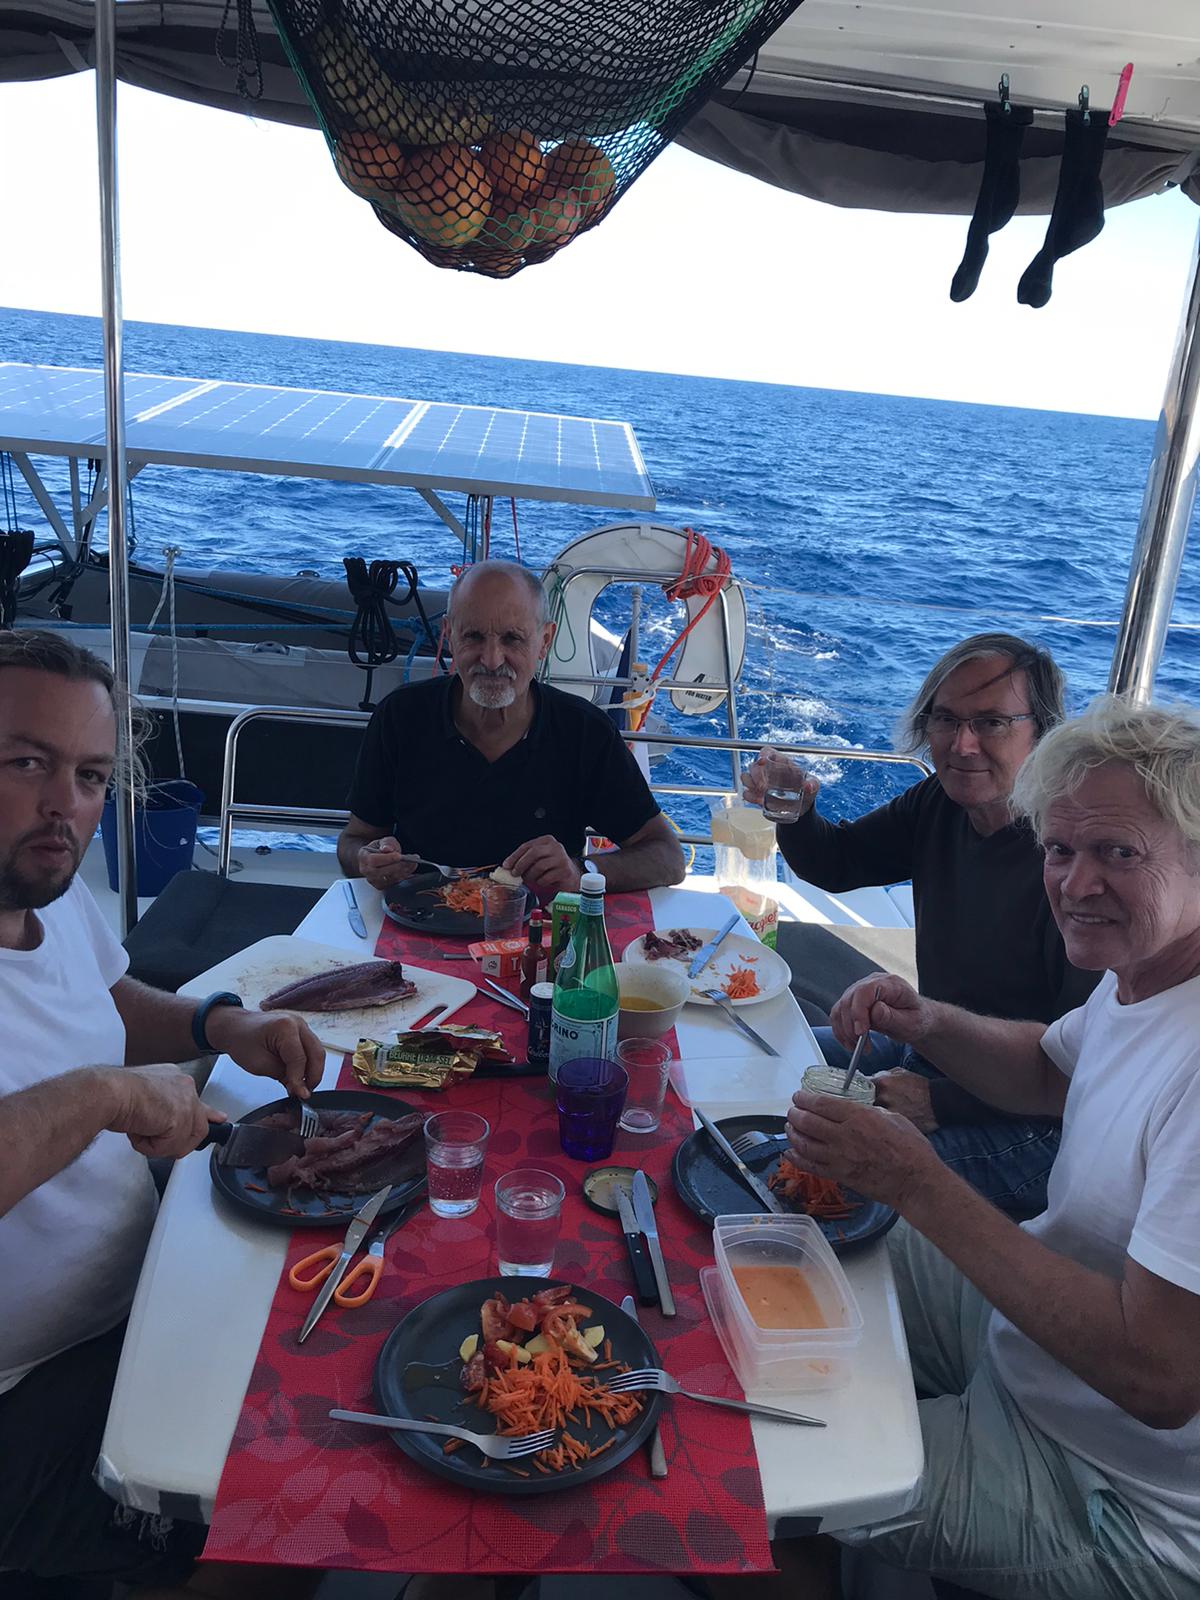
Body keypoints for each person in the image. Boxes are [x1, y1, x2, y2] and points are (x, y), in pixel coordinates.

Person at [785, 696, 1200, 1600]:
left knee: (772, 1475)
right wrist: (926, 1020)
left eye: (1119, 854)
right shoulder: (1145, 976)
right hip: (1035, 1352)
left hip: (1119, 1495)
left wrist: (917, 1181)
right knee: (796, 1246)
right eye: (1060, 850)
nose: (1076, 884)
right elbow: (1048, 1075)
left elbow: (1161, 1377)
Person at [0, 630, 324, 1592]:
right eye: (27, 762)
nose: (66, 806)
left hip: (147, 1288)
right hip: (34, 1394)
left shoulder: (45, 890)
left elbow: (105, 1003)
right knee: (296, 1510)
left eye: (92, 775)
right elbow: (92, 1076)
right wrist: (102, 1095)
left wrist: (223, 1026)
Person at [744, 631, 1096, 1213]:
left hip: (1042, 1125)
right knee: (762, 1069)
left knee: (824, 1188)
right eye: (945, 719)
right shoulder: (941, 804)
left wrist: (941, 1103)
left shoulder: (1073, 863)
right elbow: (837, 862)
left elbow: (1084, 1073)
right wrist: (794, 808)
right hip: (933, 1052)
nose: (961, 744)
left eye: (990, 723)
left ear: (1043, 731)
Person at [338, 559, 684, 898]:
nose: (491, 659)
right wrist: (369, 860)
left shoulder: (584, 731)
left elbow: (668, 858)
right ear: (449, 636)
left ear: (544, 641)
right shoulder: (401, 716)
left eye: (512, 639)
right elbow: (354, 840)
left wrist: (581, 871)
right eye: (473, 636)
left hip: (540, 940)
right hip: (418, 922)